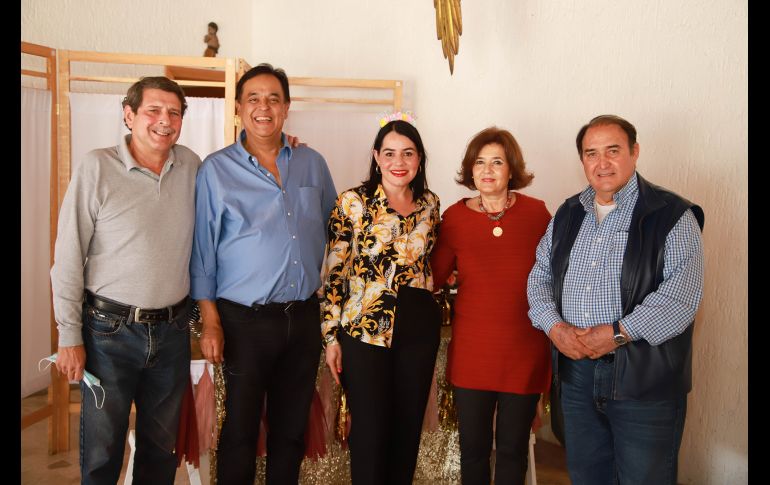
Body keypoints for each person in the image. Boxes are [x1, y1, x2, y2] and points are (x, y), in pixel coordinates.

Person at [527, 114, 704, 485]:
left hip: (644, 379)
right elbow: (539, 277)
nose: (601, 163)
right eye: (591, 153)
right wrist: (554, 327)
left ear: (634, 152)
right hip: (576, 377)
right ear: (583, 161)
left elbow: (679, 300)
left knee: (645, 478)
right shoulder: (568, 213)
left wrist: (617, 332)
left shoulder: (672, 215)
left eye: (613, 151)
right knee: (588, 475)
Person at [190, 63, 337, 484]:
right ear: (239, 108)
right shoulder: (216, 171)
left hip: (303, 317)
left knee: (290, 434)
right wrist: (211, 322)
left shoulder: (311, 162)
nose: (264, 107)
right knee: (240, 431)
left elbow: (337, 233)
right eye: (253, 98)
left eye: (274, 98)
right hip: (244, 322)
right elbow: (203, 253)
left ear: (287, 108)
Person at [50, 76, 199, 484]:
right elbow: (67, 258)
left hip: (171, 331)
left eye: (174, 112)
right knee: (102, 453)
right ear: (129, 114)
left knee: (159, 452)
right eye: (153, 110)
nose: (164, 120)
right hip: (107, 333)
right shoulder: (97, 167)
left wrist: (283, 145)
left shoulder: (190, 165)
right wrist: (69, 336)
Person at [322, 116, 442, 485]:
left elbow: (430, 265)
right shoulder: (352, 202)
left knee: (406, 433)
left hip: (419, 329)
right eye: (389, 153)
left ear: (419, 158)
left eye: (408, 153)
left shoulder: (430, 205)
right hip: (365, 331)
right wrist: (330, 336)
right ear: (376, 157)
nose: (398, 161)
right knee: (370, 433)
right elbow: (334, 273)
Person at [431, 126, 552, 485]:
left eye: (496, 162)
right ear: (470, 171)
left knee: (513, 449)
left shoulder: (538, 214)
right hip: (473, 351)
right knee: (473, 449)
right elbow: (434, 276)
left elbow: (556, 274)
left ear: (511, 169)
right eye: (479, 162)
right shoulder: (454, 219)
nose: (487, 170)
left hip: (523, 349)